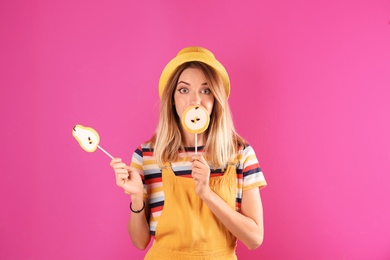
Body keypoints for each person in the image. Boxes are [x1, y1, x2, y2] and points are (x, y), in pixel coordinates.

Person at [110, 46, 267, 259]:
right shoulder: (146, 156)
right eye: (184, 90)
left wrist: (207, 193)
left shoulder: (240, 154)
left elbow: (254, 238)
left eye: (206, 90)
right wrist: (137, 197)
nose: (195, 100)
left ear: (216, 100)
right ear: (172, 100)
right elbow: (139, 241)